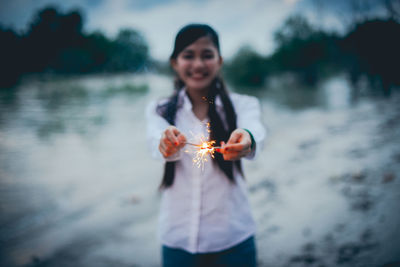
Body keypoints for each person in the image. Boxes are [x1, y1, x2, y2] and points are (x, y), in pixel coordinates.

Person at [146, 23, 266, 267]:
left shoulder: (244, 105)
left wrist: (247, 139)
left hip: (234, 239)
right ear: (174, 63)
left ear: (219, 61)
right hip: (177, 240)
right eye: (188, 56)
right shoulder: (158, 110)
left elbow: (255, 131)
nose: (198, 64)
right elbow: (154, 142)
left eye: (207, 55)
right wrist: (166, 143)